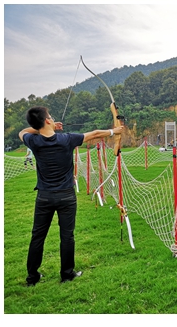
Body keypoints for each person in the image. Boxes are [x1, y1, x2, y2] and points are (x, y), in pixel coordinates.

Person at [18, 106, 124, 284]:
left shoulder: (33, 140)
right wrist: (114, 131)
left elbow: (22, 131)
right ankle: (67, 275)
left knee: (38, 236)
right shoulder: (66, 139)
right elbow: (95, 133)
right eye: (50, 117)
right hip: (66, 196)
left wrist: (42, 128)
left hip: (44, 196)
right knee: (67, 236)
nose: (52, 118)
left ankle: (32, 277)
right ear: (47, 120)